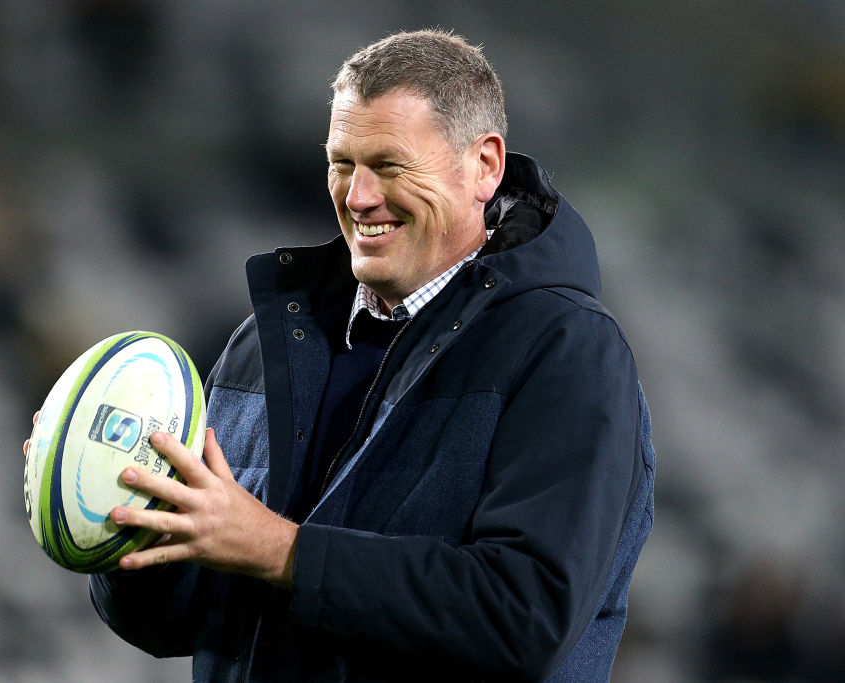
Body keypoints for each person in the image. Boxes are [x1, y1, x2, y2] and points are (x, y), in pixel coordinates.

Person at [84, 29, 655, 681]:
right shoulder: (262, 345)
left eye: (389, 165)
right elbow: (180, 623)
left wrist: (281, 550)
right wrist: (121, 522)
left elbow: (520, 616)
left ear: (484, 166)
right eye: (341, 162)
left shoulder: (566, 350)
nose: (356, 197)